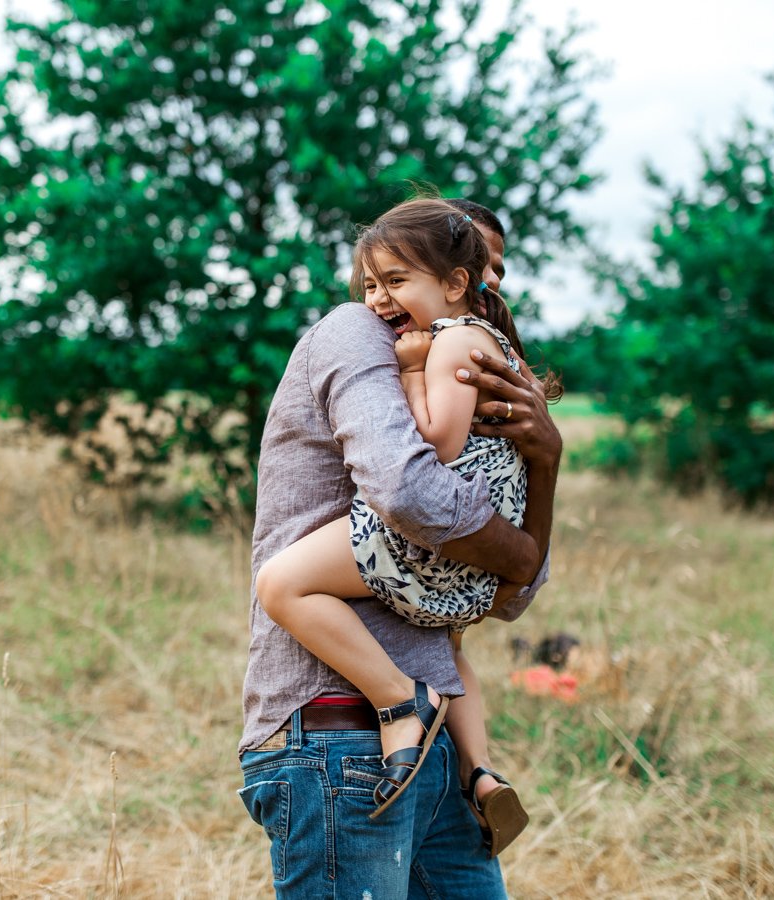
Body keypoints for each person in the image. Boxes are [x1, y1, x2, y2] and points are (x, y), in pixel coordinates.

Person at [239, 199, 562, 898]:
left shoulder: (465, 351)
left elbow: (510, 597)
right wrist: (516, 553)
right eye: (478, 261)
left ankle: (467, 756)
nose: (489, 285)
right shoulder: (358, 332)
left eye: (498, 271)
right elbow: (411, 492)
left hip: (434, 738)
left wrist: (547, 459)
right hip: (339, 731)